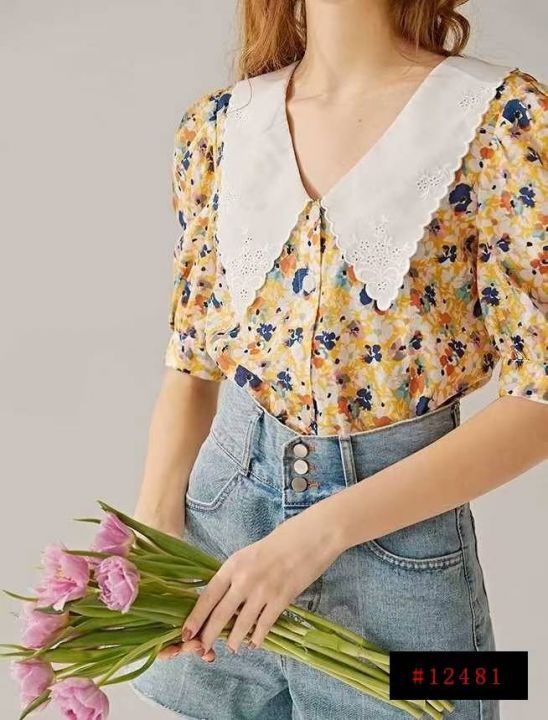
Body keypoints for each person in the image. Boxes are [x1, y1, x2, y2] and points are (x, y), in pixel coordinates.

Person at [131, 1, 548, 718]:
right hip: (219, 546)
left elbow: (540, 399)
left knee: (468, 693)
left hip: (402, 561)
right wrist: (151, 533)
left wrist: (315, 536)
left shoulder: (505, 118)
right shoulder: (217, 126)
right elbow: (189, 363)